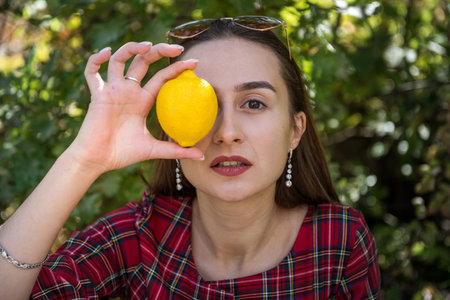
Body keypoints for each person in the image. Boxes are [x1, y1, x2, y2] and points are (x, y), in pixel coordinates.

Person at [0, 16, 380, 299]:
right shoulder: (140, 236)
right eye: (206, 104)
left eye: (253, 103)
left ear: (295, 130)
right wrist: (85, 158)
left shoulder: (338, 242)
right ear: (171, 126)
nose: (226, 131)